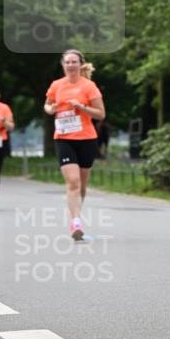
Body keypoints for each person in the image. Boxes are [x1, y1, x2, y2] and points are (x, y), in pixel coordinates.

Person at [44, 49, 106, 240]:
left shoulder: (89, 86)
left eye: (74, 62)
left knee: (82, 184)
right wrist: (51, 108)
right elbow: (46, 105)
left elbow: (101, 114)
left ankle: (76, 214)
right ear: (63, 65)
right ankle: (76, 222)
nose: (71, 65)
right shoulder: (56, 85)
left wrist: (82, 107)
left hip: (86, 139)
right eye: (67, 62)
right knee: (73, 182)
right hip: (64, 138)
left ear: (80, 65)